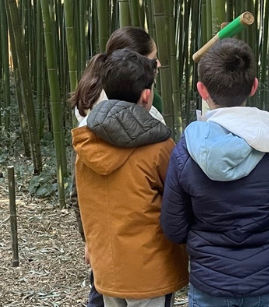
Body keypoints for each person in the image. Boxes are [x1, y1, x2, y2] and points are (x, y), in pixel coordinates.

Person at [160, 38, 269, 306]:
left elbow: (174, 229)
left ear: (202, 90)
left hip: (211, 284)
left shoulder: (186, 152)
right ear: (254, 86)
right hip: (268, 284)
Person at [72, 48, 188, 307]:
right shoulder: (159, 148)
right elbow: (178, 199)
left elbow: (82, 201)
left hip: (107, 269)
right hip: (150, 271)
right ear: (147, 95)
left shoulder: (86, 144)